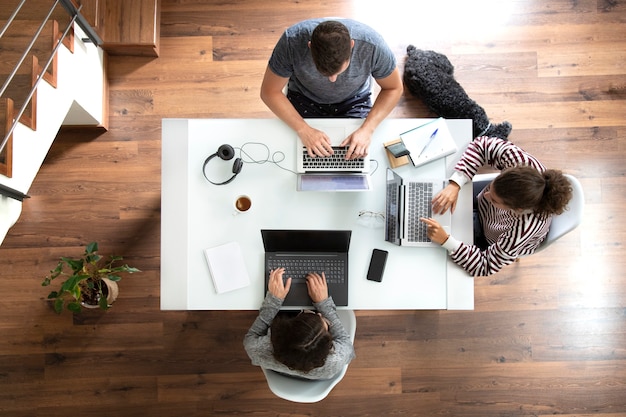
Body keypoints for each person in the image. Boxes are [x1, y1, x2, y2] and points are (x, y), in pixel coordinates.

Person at [420, 136, 573, 277]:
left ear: (517, 209)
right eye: (493, 187)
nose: (485, 196)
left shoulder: (522, 231)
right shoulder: (521, 163)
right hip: (487, 214)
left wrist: (446, 241)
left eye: (494, 200)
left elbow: (484, 265)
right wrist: (456, 183)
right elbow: (482, 145)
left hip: (491, 237)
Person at [260, 18, 403, 160]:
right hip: (304, 98)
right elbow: (269, 92)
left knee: (358, 155)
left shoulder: (372, 45)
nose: (332, 80)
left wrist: (367, 130)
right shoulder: (291, 42)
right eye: (324, 72)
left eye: (338, 72)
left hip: (354, 99)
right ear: (309, 46)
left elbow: (393, 88)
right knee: (294, 155)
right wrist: (303, 129)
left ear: (352, 45)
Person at [243, 268, 355, 380]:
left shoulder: (257, 349)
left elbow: (252, 336)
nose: (321, 315)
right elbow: (345, 341)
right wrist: (323, 304)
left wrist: (273, 301)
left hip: (280, 374)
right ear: (330, 345)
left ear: (284, 328)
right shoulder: (337, 358)